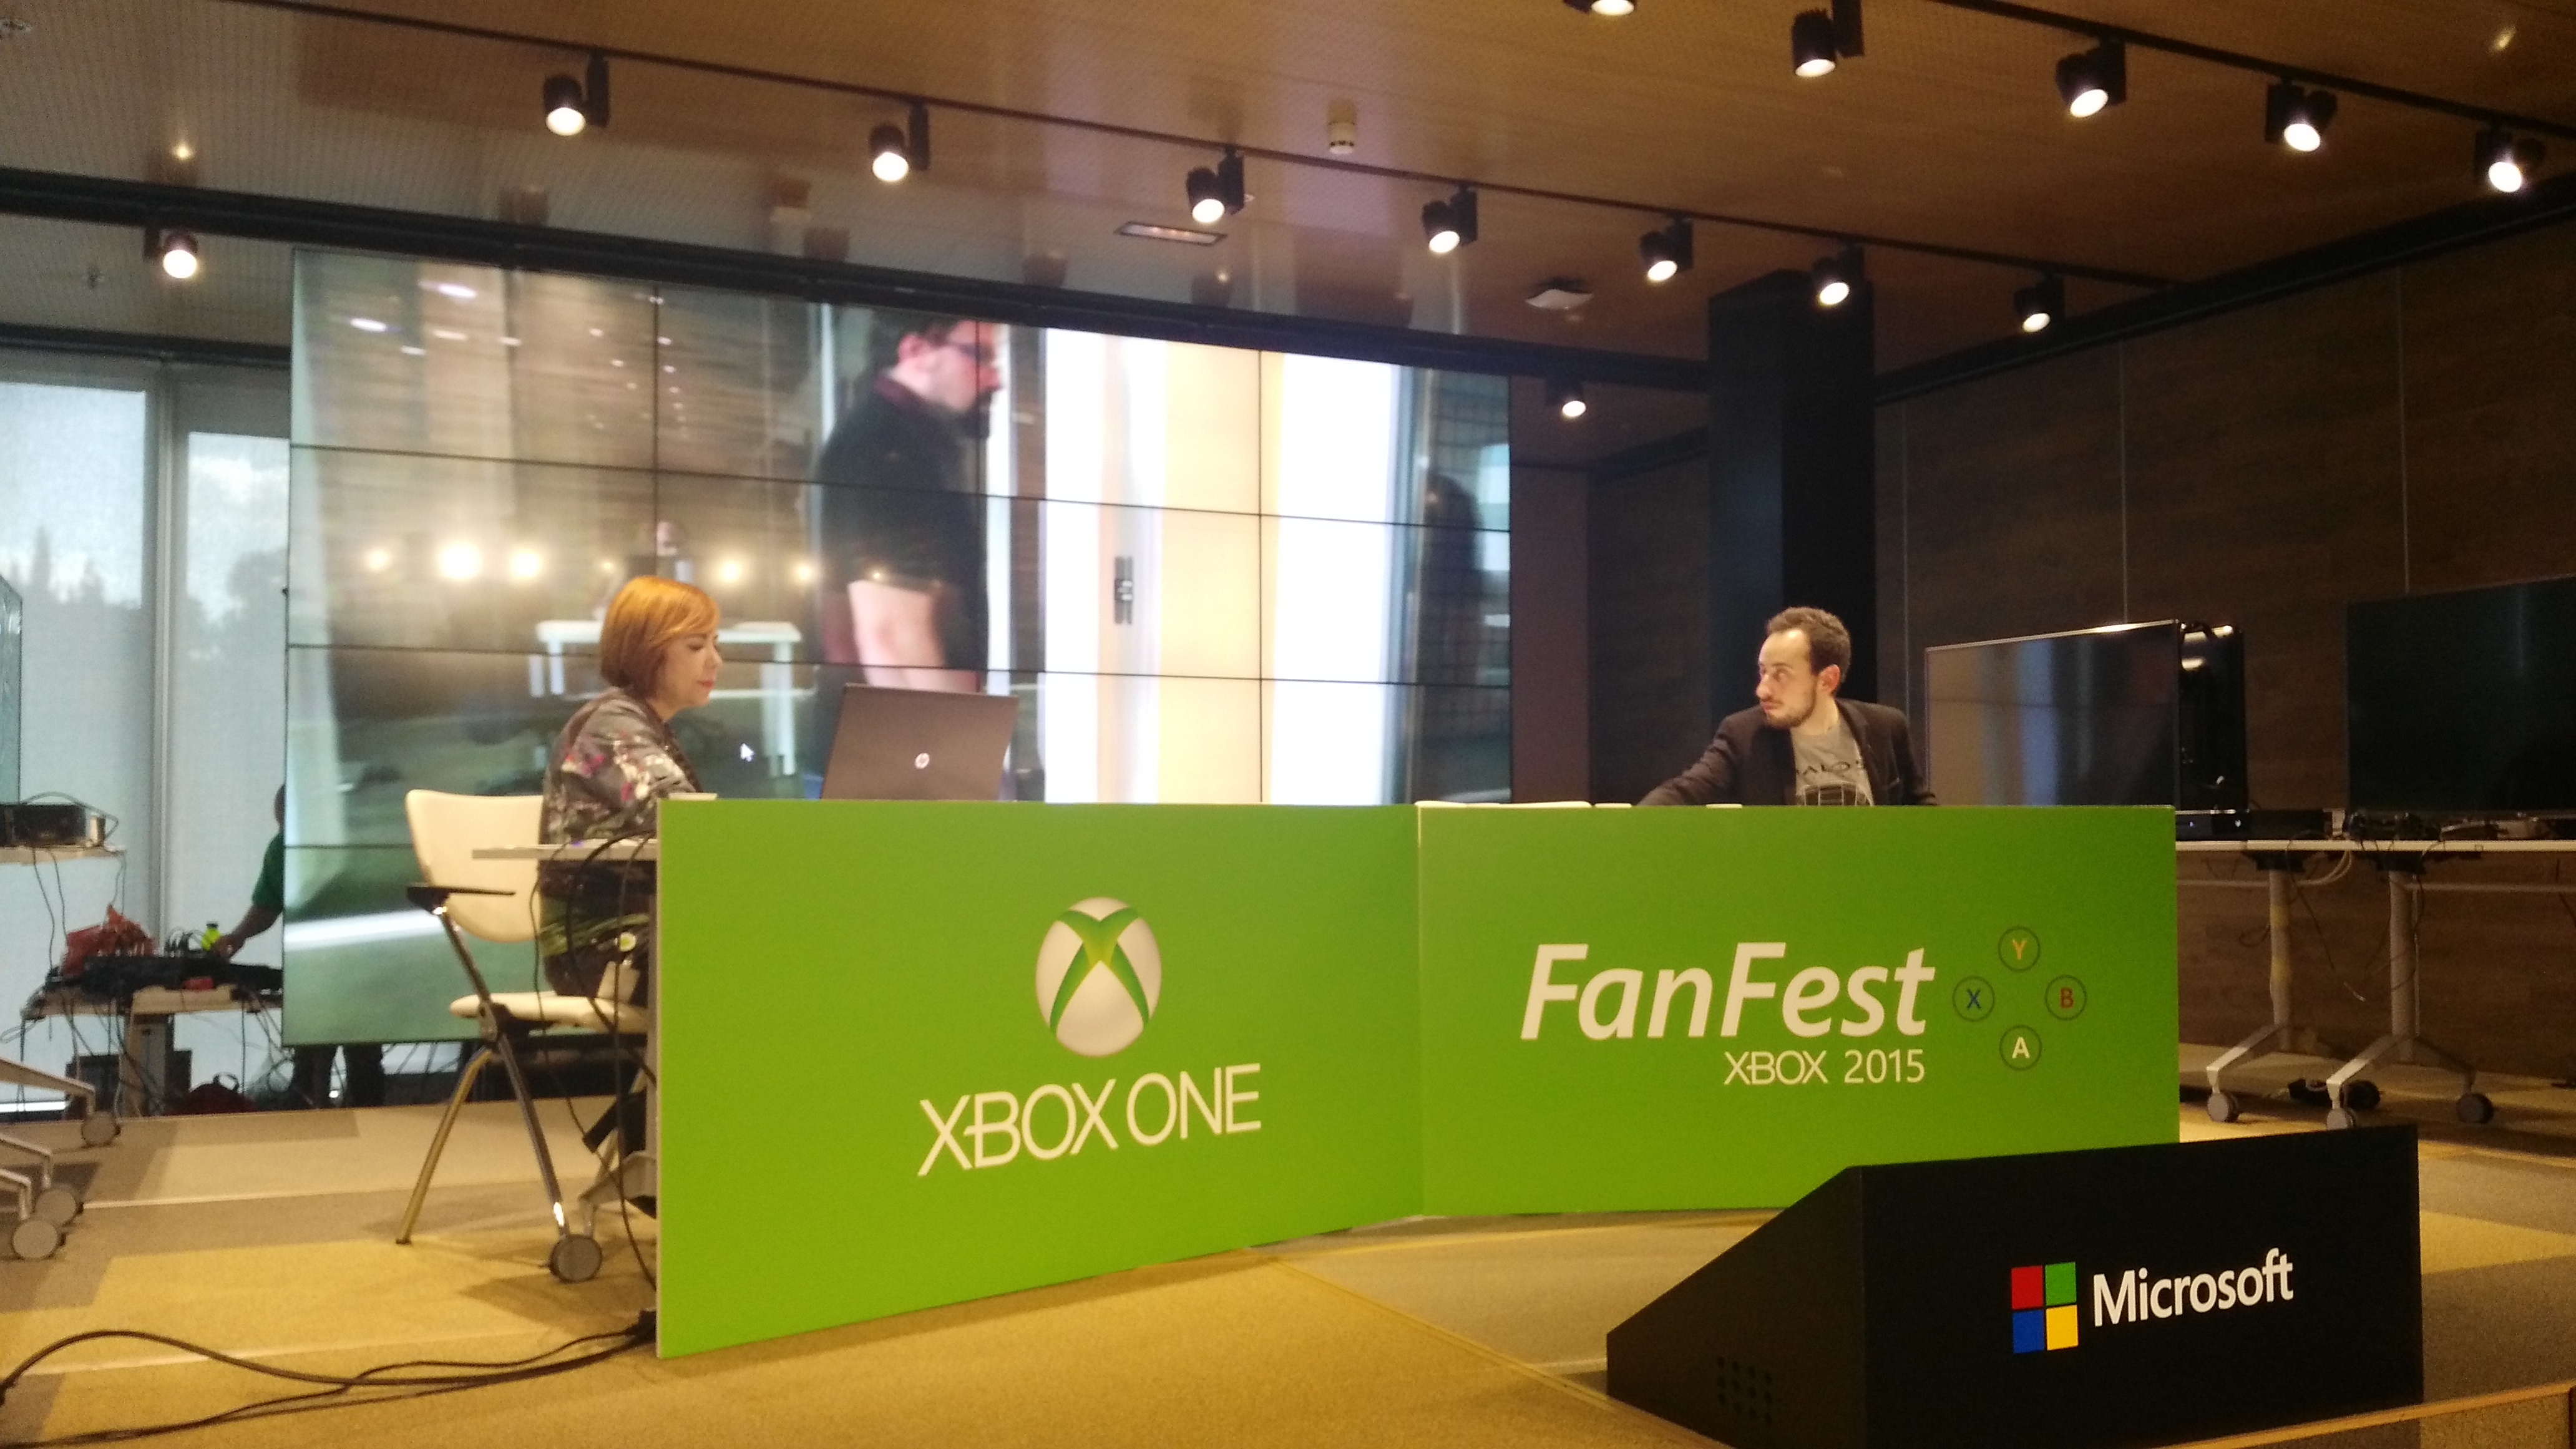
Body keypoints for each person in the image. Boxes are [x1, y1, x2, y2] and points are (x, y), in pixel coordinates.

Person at [538, 575, 721, 1003]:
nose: (715, 661)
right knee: (761, 962)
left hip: (647, 934)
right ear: (648, 650)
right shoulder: (612, 727)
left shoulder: (642, 724)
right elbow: (690, 824)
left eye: (716, 644)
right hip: (598, 949)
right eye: (696, 646)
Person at [812, 313, 1002, 693]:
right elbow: (891, 637)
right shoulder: (888, 445)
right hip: (904, 721)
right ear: (916, 351)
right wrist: (951, 731)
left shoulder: (893, 437)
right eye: (980, 357)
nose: (996, 379)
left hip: (890, 718)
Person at [1642, 607, 1934, 807]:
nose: (1762, 690)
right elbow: (1684, 793)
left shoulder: (1886, 728)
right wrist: (1624, 826)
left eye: (1781, 674)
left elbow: (1923, 812)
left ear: (1827, 680)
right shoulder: (1743, 735)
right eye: (1763, 672)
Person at [214, 786, 385, 1108]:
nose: (285, 835)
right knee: (310, 1061)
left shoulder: (353, 843)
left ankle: (362, 1123)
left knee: (361, 1061)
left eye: (288, 825)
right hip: (313, 974)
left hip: (360, 969)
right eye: (281, 827)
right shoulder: (280, 848)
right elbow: (268, 904)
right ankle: (313, 1116)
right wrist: (238, 937)